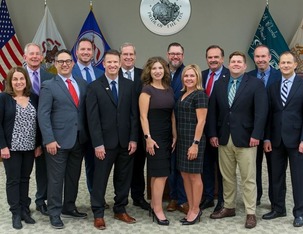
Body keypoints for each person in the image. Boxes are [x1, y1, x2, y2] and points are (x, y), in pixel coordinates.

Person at [208, 51, 268, 229]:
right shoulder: (220, 84)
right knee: (227, 177)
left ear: (245, 66)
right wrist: (212, 134)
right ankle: (229, 207)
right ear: (229, 63)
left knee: (248, 177)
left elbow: (261, 112)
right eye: (232, 61)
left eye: (239, 62)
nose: (235, 64)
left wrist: (256, 134)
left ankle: (250, 212)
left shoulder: (256, 84)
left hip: (247, 138)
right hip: (224, 138)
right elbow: (213, 112)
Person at [86, 49, 138, 230]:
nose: (113, 65)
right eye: (110, 62)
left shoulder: (130, 85)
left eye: (116, 62)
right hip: (104, 144)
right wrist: (97, 143)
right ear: (104, 64)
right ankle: (98, 213)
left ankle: (120, 208)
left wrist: (133, 139)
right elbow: (92, 120)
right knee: (100, 179)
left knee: (123, 178)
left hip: (125, 142)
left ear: (120, 63)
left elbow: (133, 115)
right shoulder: (94, 87)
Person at [38, 49, 88, 229]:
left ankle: (69, 206)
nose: (65, 64)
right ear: (55, 64)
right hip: (56, 142)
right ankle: (54, 212)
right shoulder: (49, 85)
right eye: (61, 62)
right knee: (56, 179)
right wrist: (49, 139)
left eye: (68, 61)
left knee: (73, 177)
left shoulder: (82, 84)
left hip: (78, 140)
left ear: (73, 63)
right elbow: (43, 115)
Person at [262, 51, 303, 228]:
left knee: (298, 178)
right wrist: (267, 138)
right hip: (276, 140)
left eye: (288, 62)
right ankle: (278, 208)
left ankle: (300, 213)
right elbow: (269, 115)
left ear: (295, 65)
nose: (285, 65)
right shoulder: (273, 87)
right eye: (282, 63)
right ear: (278, 65)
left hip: (297, 140)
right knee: (275, 176)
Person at [0, 67, 41, 229]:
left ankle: (25, 210)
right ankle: (15, 213)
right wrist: (2, 146)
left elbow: (39, 124)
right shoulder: (3, 98)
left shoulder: (34, 98)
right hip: (11, 148)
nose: (19, 82)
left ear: (26, 81)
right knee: (13, 180)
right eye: (15, 79)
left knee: (25, 179)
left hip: (30, 147)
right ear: (10, 81)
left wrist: (38, 144)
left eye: (21, 79)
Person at [139, 56, 177, 226]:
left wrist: (175, 135)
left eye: (160, 68)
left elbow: (172, 114)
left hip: (167, 135)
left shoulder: (169, 89)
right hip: (153, 137)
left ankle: (154, 205)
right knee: (161, 174)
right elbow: (143, 116)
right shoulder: (147, 90)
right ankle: (158, 209)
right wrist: (148, 138)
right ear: (149, 71)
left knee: (157, 173)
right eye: (154, 68)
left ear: (165, 70)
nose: (157, 71)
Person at [71, 38, 108, 205]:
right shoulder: (69, 72)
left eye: (88, 50)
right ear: (76, 52)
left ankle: (96, 198)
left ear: (93, 53)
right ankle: (69, 203)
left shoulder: (101, 73)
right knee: (73, 170)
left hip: (97, 130)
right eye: (82, 49)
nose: (86, 52)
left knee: (96, 167)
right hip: (76, 130)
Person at [247, 44, 280, 207]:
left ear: (269, 58)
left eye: (263, 56)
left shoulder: (280, 76)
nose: (260, 59)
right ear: (254, 59)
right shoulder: (248, 76)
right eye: (257, 57)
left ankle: (276, 202)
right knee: (254, 167)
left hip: (274, 131)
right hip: (253, 131)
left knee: (274, 168)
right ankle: (256, 197)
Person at [23, 42, 54, 216]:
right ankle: (23, 203)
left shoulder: (49, 76)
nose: (35, 56)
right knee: (23, 171)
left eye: (37, 54)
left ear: (42, 57)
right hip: (23, 131)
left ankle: (41, 201)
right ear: (24, 57)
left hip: (43, 130)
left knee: (43, 170)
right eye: (31, 54)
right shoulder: (18, 76)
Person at [118, 42, 150, 210]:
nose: (128, 57)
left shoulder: (143, 75)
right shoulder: (113, 74)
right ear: (120, 56)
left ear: (135, 56)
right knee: (121, 168)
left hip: (139, 129)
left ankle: (138, 197)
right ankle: (120, 199)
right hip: (119, 129)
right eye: (125, 55)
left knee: (138, 166)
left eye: (131, 54)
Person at [176, 64, 207, 225]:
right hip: (182, 140)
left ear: (197, 78)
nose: (189, 78)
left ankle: (196, 209)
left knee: (194, 176)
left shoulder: (199, 95)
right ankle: (190, 206)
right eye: (186, 76)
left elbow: (201, 121)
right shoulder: (182, 94)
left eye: (192, 76)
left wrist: (195, 143)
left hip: (194, 140)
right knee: (184, 175)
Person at [200, 45, 229, 213]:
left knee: (223, 168)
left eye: (216, 57)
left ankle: (223, 200)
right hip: (203, 129)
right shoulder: (202, 76)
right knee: (206, 165)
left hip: (222, 130)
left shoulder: (229, 76)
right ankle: (209, 197)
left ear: (222, 59)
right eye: (210, 57)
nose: (213, 60)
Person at [166, 42, 188, 214]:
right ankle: (173, 198)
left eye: (178, 54)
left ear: (183, 55)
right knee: (170, 166)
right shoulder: (160, 71)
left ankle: (184, 199)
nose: (175, 57)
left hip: (184, 125)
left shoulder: (188, 74)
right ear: (168, 55)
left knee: (183, 165)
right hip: (164, 126)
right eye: (172, 54)